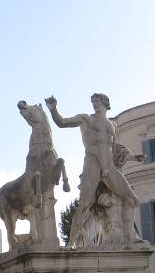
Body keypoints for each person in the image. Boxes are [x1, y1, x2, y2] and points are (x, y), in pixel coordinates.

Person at [45, 94, 142, 247]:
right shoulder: (86, 120)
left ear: (105, 103)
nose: (94, 104)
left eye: (97, 101)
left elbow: (115, 149)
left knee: (132, 200)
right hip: (92, 164)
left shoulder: (112, 126)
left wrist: (133, 157)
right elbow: (62, 122)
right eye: (92, 102)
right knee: (84, 204)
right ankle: (71, 243)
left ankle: (130, 238)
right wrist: (53, 109)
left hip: (109, 167)